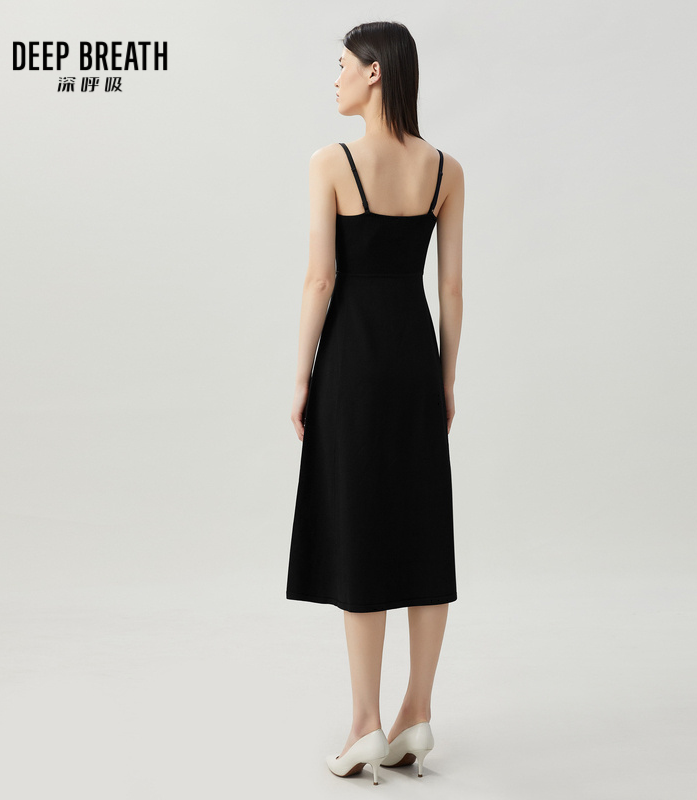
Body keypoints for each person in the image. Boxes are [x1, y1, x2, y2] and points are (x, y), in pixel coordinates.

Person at [286, 20, 464, 785]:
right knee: (423, 528)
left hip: (354, 365)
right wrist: (445, 380)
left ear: (376, 73)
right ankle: (416, 713)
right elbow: (450, 289)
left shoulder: (331, 162)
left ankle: (365, 723)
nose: (334, 79)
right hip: (416, 363)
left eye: (342, 66)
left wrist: (302, 377)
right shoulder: (446, 170)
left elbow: (321, 279)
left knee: (360, 528)